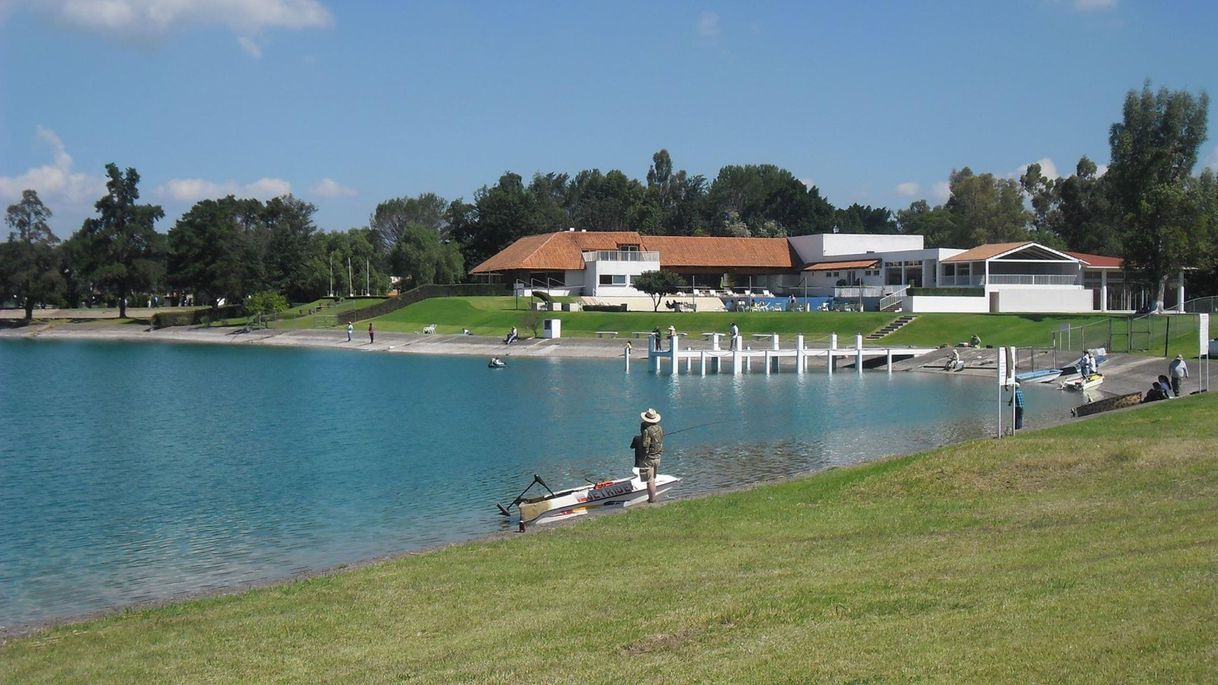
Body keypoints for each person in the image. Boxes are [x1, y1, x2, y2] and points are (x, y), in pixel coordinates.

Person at [633, 408, 664, 503]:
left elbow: (645, 444)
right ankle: (653, 497)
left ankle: (652, 499)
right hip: (658, 457)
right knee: (653, 478)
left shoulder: (647, 430)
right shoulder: (659, 428)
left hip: (648, 458)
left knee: (649, 480)